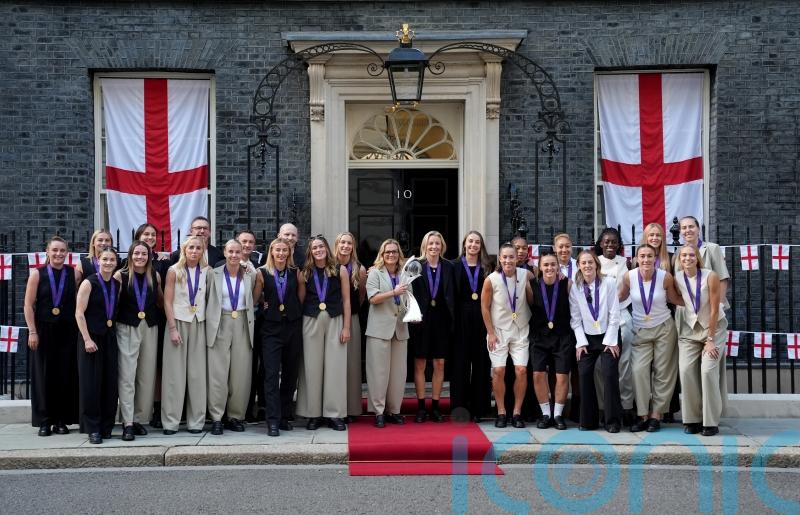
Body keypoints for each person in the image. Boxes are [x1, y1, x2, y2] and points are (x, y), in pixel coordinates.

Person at [619, 244, 683, 432]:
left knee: (663, 373)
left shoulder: (665, 277)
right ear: (636, 259)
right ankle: (642, 415)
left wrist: (699, 302)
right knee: (638, 371)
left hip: (664, 328)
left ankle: (656, 415)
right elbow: (620, 297)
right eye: (642, 256)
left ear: (655, 258)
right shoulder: (629, 277)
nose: (646, 260)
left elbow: (674, 299)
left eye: (649, 256)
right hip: (640, 330)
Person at [23, 236, 80, 436]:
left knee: (64, 375)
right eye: (55, 250)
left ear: (67, 253)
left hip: (67, 330)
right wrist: (32, 331)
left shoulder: (73, 274)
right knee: (44, 376)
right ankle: (45, 421)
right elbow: (28, 305)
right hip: (44, 330)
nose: (58, 254)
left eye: (62, 250)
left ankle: (61, 420)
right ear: (47, 251)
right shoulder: (37, 274)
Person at [296, 235, 351, 431]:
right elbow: (301, 300)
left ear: (327, 248)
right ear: (310, 251)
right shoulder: (305, 273)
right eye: (314, 248)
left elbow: (346, 300)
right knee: (312, 368)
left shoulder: (340, 270)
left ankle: (334, 414)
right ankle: (313, 414)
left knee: (335, 368)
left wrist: (346, 327)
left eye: (321, 246)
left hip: (335, 319)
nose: (318, 250)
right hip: (311, 320)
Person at [673, 245, 727, 437]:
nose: (687, 258)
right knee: (686, 370)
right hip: (690, 330)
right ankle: (692, 419)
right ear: (679, 259)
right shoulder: (677, 277)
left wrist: (710, 340)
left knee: (707, 371)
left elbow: (714, 309)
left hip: (714, 329)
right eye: (683, 255)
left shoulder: (710, 275)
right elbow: (677, 298)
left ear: (697, 257)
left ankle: (710, 422)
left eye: (691, 255)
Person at [114, 240, 163, 441]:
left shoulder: (155, 276)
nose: (140, 257)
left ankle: (138, 419)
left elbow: (160, 301)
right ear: (131, 255)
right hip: (127, 327)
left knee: (146, 376)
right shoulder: (121, 276)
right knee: (127, 376)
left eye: (144, 254)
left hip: (149, 328)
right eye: (137, 254)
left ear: (149, 256)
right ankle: (127, 422)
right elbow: (112, 302)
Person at [206, 239, 256, 435]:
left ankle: (235, 416)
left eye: (238, 251)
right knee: (218, 373)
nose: (234, 255)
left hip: (242, 321)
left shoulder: (249, 275)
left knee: (240, 373)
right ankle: (217, 417)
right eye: (231, 252)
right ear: (225, 253)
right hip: (220, 322)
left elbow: (256, 297)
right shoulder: (213, 274)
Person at [569, 249, 622, 432]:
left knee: (609, 373)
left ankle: (612, 421)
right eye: (583, 263)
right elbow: (575, 319)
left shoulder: (608, 283)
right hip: (587, 337)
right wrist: (581, 343)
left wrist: (610, 342)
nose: (587, 266)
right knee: (584, 374)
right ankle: (588, 421)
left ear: (596, 265)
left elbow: (615, 314)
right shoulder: (575, 287)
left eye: (590, 262)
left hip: (609, 334)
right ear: (578, 266)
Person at [481, 243, 533, 428]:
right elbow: (485, 308)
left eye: (512, 257)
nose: (508, 260)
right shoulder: (491, 280)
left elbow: (540, 285)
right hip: (499, 331)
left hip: (520, 329)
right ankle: (501, 411)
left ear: (516, 258)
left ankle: (517, 412)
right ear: (500, 259)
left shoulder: (525, 274)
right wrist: (490, 333)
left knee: (521, 370)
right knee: (498, 371)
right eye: (505, 257)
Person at [161, 236, 209, 435]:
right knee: (174, 374)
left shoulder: (207, 272)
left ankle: (196, 421)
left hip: (199, 323)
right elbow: (167, 301)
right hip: (178, 323)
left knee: (197, 375)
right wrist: (172, 328)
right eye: (191, 247)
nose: (195, 251)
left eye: (198, 248)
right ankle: (171, 422)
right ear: (184, 249)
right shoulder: (174, 271)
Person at [254, 238, 303, 436]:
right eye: (278, 250)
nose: (281, 254)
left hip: (292, 326)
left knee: (291, 374)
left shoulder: (296, 272)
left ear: (289, 252)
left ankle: (284, 416)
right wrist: (266, 304)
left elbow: (300, 298)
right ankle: (272, 420)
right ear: (271, 252)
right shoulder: (262, 273)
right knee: (272, 374)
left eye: (285, 250)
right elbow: (256, 299)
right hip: (271, 329)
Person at [75, 246, 121, 444]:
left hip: (109, 336)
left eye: (112, 260)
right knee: (91, 384)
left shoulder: (116, 284)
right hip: (91, 338)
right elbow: (79, 313)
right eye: (105, 259)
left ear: (116, 262)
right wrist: (86, 339)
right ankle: (92, 428)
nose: (108, 263)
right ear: (98, 261)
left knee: (109, 383)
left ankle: (106, 425)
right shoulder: (89, 282)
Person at [410, 230, 455, 423]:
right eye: (431, 244)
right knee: (420, 363)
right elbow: (406, 291)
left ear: (442, 246)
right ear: (425, 246)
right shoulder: (415, 266)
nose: (434, 247)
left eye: (437, 243)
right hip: (421, 320)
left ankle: (435, 406)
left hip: (442, 321)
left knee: (439, 363)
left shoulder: (449, 267)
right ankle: (421, 407)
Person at [637, 222, 680, 423]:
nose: (654, 238)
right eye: (651, 235)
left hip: (666, 316)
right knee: (641, 369)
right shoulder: (636, 262)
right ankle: (643, 411)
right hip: (643, 320)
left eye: (658, 235)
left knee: (665, 369)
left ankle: (662, 411)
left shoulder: (669, 259)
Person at [365, 239, 409, 428]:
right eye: (387, 252)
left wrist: (412, 312)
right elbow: (373, 298)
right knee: (379, 373)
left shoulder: (405, 274)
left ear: (399, 254)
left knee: (398, 374)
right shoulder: (374, 273)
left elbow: (409, 298)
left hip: (400, 328)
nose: (391, 255)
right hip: (379, 330)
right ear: (382, 255)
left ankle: (394, 410)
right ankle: (379, 411)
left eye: (394, 252)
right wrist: (394, 292)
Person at [450, 231, 493, 422]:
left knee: (481, 363)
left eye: (477, 242)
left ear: (480, 246)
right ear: (464, 244)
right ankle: (459, 407)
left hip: (482, 316)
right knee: (460, 364)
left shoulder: (487, 267)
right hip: (461, 318)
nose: (473, 245)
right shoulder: (454, 265)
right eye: (470, 241)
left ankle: (479, 408)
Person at [131, 222, 170, 429]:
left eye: (153, 234)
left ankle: (156, 408)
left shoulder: (162, 262)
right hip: (134, 322)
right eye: (146, 234)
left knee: (155, 366)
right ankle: (133, 412)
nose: (150, 237)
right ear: (138, 236)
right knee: (134, 368)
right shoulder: (126, 263)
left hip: (157, 319)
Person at [594, 227, 634, 425]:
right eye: (606, 241)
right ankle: (604, 407)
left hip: (623, 316)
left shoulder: (626, 263)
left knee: (625, 363)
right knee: (601, 366)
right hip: (599, 319)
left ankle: (626, 407)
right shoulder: (594, 262)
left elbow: (627, 290)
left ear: (619, 245)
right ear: (600, 243)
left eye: (614, 242)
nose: (610, 245)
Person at [529, 252, 574, 430]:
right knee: (538, 374)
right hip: (539, 336)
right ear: (540, 267)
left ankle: (558, 415)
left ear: (558, 267)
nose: (549, 268)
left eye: (553, 265)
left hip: (562, 336)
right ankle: (545, 413)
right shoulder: (531, 286)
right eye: (546, 265)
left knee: (562, 375)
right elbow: (529, 306)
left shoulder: (567, 284)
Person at [335, 232, 367, 421]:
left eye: (349, 243)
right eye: (342, 242)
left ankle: (351, 408)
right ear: (337, 244)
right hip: (332, 318)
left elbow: (361, 296)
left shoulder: (359, 269)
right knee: (334, 364)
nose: (346, 246)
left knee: (351, 363)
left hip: (352, 318)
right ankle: (334, 406)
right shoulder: (330, 265)